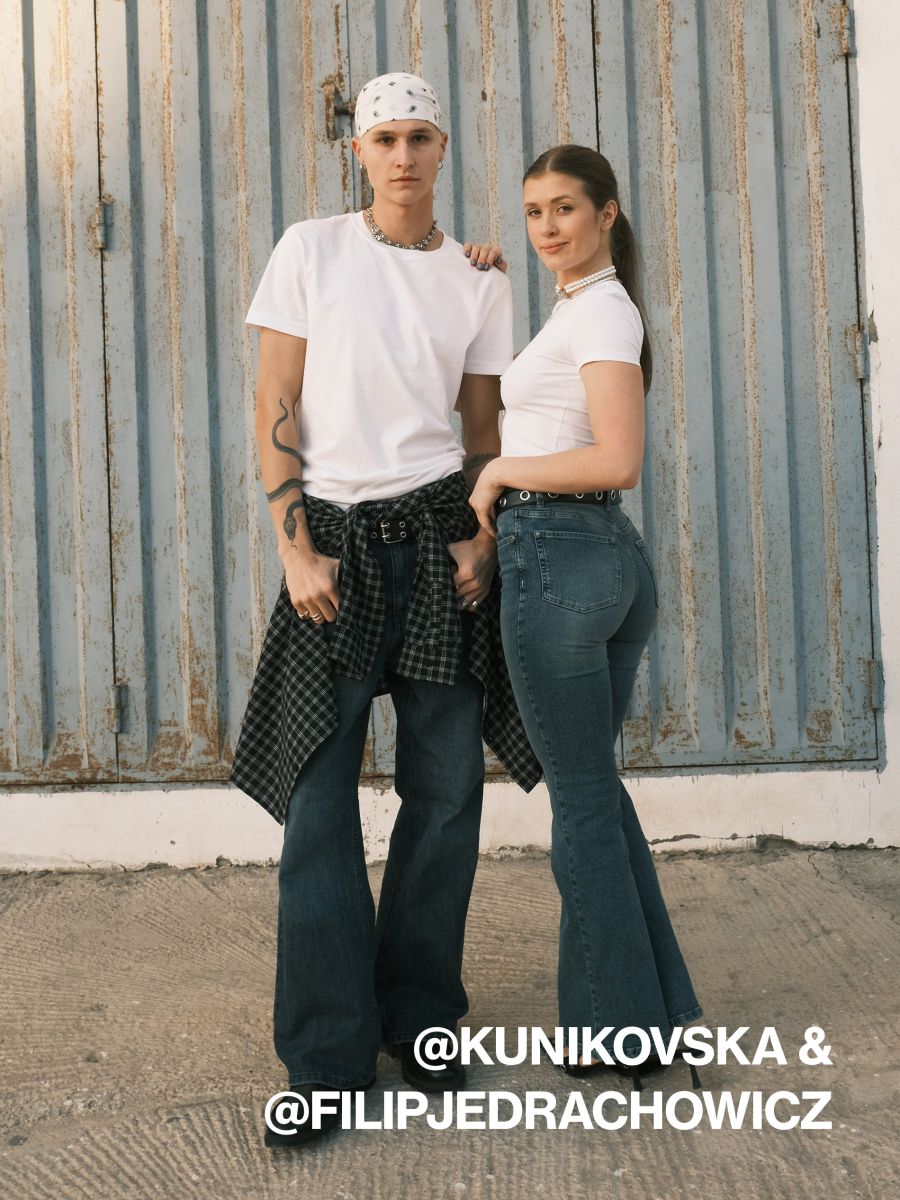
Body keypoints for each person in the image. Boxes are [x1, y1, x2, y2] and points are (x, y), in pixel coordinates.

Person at [230, 72, 540, 1148]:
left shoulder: (478, 279)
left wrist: (484, 532)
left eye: (419, 136)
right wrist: (292, 546)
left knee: (446, 795)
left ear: (443, 146)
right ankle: (325, 1060)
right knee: (318, 808)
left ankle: (422, 1020)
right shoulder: (310, 250)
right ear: (358, 152)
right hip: (335, 546)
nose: (402, 155)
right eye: (384, 139)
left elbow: (483, 431)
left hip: (439, 541)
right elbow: (275, 400)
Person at [469, 144, 703, 1089]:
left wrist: (496, 471)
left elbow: (617, 459)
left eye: (565, 208)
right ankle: (649, 1014)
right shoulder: (580, 308)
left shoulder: (604, 310)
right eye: (534, 212)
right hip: (594, 559)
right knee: (594, 794)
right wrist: (471, 268)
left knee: (580, 801)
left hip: (561, 559)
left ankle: (618, 1032)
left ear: (607, 213)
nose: (547, 227)